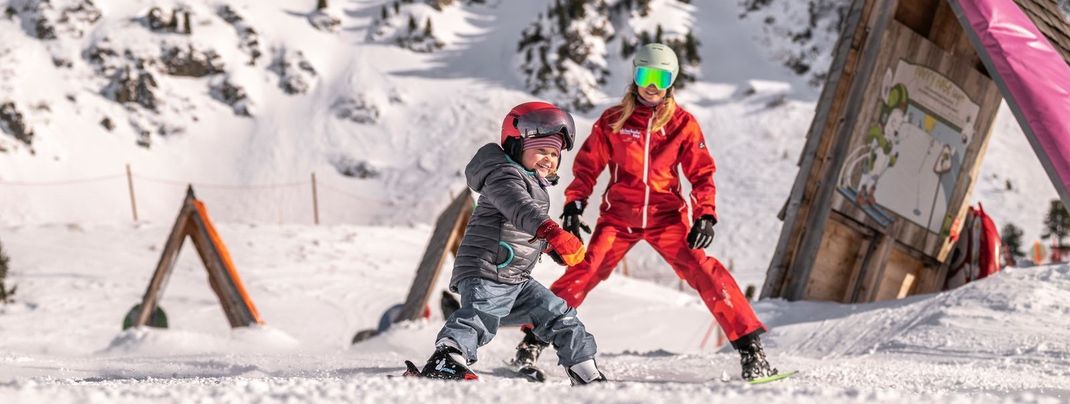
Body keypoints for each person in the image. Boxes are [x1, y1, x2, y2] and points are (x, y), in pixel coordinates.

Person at [511, 44, 778, 381]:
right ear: (635, 76)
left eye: (661, 77)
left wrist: (705, 214)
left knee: (706, 271)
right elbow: (588, 167)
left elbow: (701, 174)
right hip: (619, 218)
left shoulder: (683, 124)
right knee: (584, 271)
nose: (652, 85)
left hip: (667, 219)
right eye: (645, 75)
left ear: (672, 81)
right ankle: (532, 342)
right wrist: (574, 203)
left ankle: (752, 351)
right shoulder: (613, 121)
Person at [413, 101, 607, 385]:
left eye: (554, 153)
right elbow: (519, 208)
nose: (548, 159)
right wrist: (552, 232)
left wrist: (551, 247)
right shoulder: (503, 176)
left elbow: (518, 232)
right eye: (541, 150)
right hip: (487, 270)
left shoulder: (531, 183)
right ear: (516, 146)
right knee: (481, 316)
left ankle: (585, 371)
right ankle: (447, 357)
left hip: (515, 279)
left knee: (559, 314)